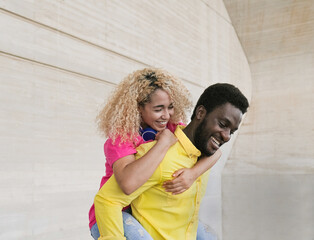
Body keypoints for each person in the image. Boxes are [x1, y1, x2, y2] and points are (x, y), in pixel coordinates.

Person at [94, 83, 249, 240]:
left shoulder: (204, 152)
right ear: (200, 112)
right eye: (223, 124)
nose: (227, 136)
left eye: (232, 131)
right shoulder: (153, 153)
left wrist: (193, 173)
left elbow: (215, 152)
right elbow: (108, 199)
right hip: (116, 217)